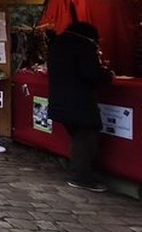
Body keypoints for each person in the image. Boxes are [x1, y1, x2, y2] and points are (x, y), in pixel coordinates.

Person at [47, 22, 114, 192]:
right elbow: (91, 73)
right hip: (79, 101)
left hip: (60, 99)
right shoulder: (83, 47)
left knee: (79, 137)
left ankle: (81, 172)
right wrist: (107, 75)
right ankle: (82, 177)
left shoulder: (57, 45)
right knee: (85, 137)